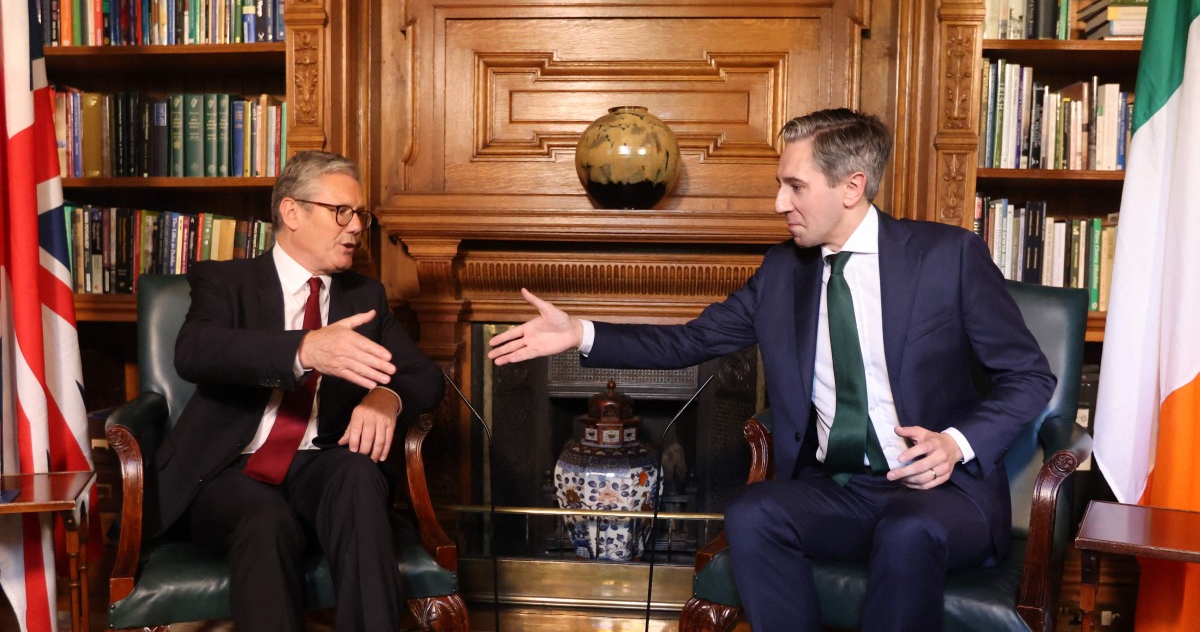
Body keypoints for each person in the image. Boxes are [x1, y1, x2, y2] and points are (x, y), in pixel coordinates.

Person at [488, 108, 1056, 632]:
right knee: (753, 511)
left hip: (941, 493)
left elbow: (1030, 376)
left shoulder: (948, 257)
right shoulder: (784, 271)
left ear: (852, 186)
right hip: (842, 490)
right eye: (780, 185)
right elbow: (691, 340)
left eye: (795, 186)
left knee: (906, 532)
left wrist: (956, 443)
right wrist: (581, 332)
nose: (780, 203)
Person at [152, 151, 445, 632]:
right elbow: (196, 351)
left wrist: (385, 400)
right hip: (230, 469)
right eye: (341, 212)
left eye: (360, 214)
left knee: (360, 478)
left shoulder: (363, 296)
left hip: (321, 464)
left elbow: (423, 375)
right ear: (291, 212)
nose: (356, 227)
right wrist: (305, 349)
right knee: (265, 520)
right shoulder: (225, 281)